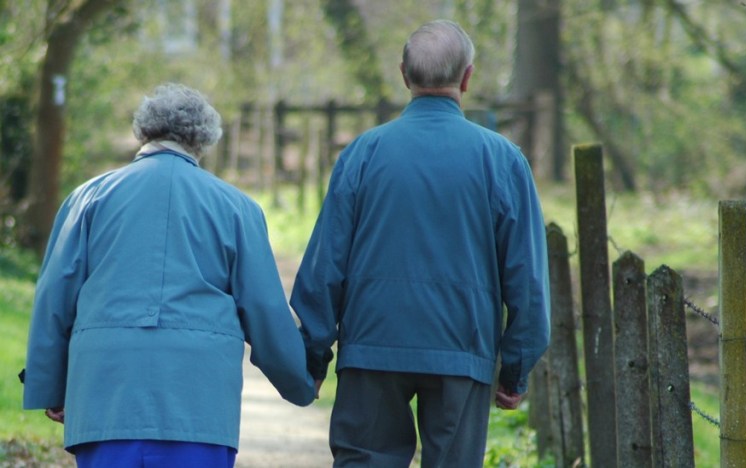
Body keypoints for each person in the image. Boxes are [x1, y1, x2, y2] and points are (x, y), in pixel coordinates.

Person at [290, 19, 551, 467]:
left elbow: (325, 266)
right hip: (462, 349)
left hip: (373, 347)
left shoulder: (363, 154)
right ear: (467, 78)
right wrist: (515, 366)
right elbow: (526, 278)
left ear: (403, 74)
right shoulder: (502, 161)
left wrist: (314, 358)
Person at [21, 83, 315, 467]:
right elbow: (263, 309)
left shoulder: (88, 198)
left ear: (143, 130)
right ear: (203, 139)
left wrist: (52, 386)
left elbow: (54, 300)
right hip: (197, 404)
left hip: (107, 397)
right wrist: (300, 381)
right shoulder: (237, 208)